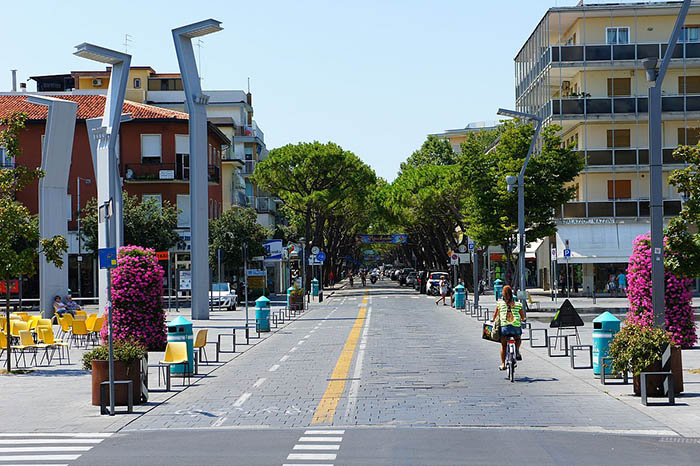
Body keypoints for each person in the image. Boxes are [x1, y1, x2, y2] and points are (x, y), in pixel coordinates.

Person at [491, 285, 526, 371]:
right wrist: (523, 319)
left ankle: (503, 364)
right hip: (516, 328)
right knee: (518, 338)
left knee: (503, 345)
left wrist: (492, 320)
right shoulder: (518, 304)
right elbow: (522, 317)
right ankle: (517, 350)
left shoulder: (500, 304)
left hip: (505, 328)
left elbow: (495, 316)